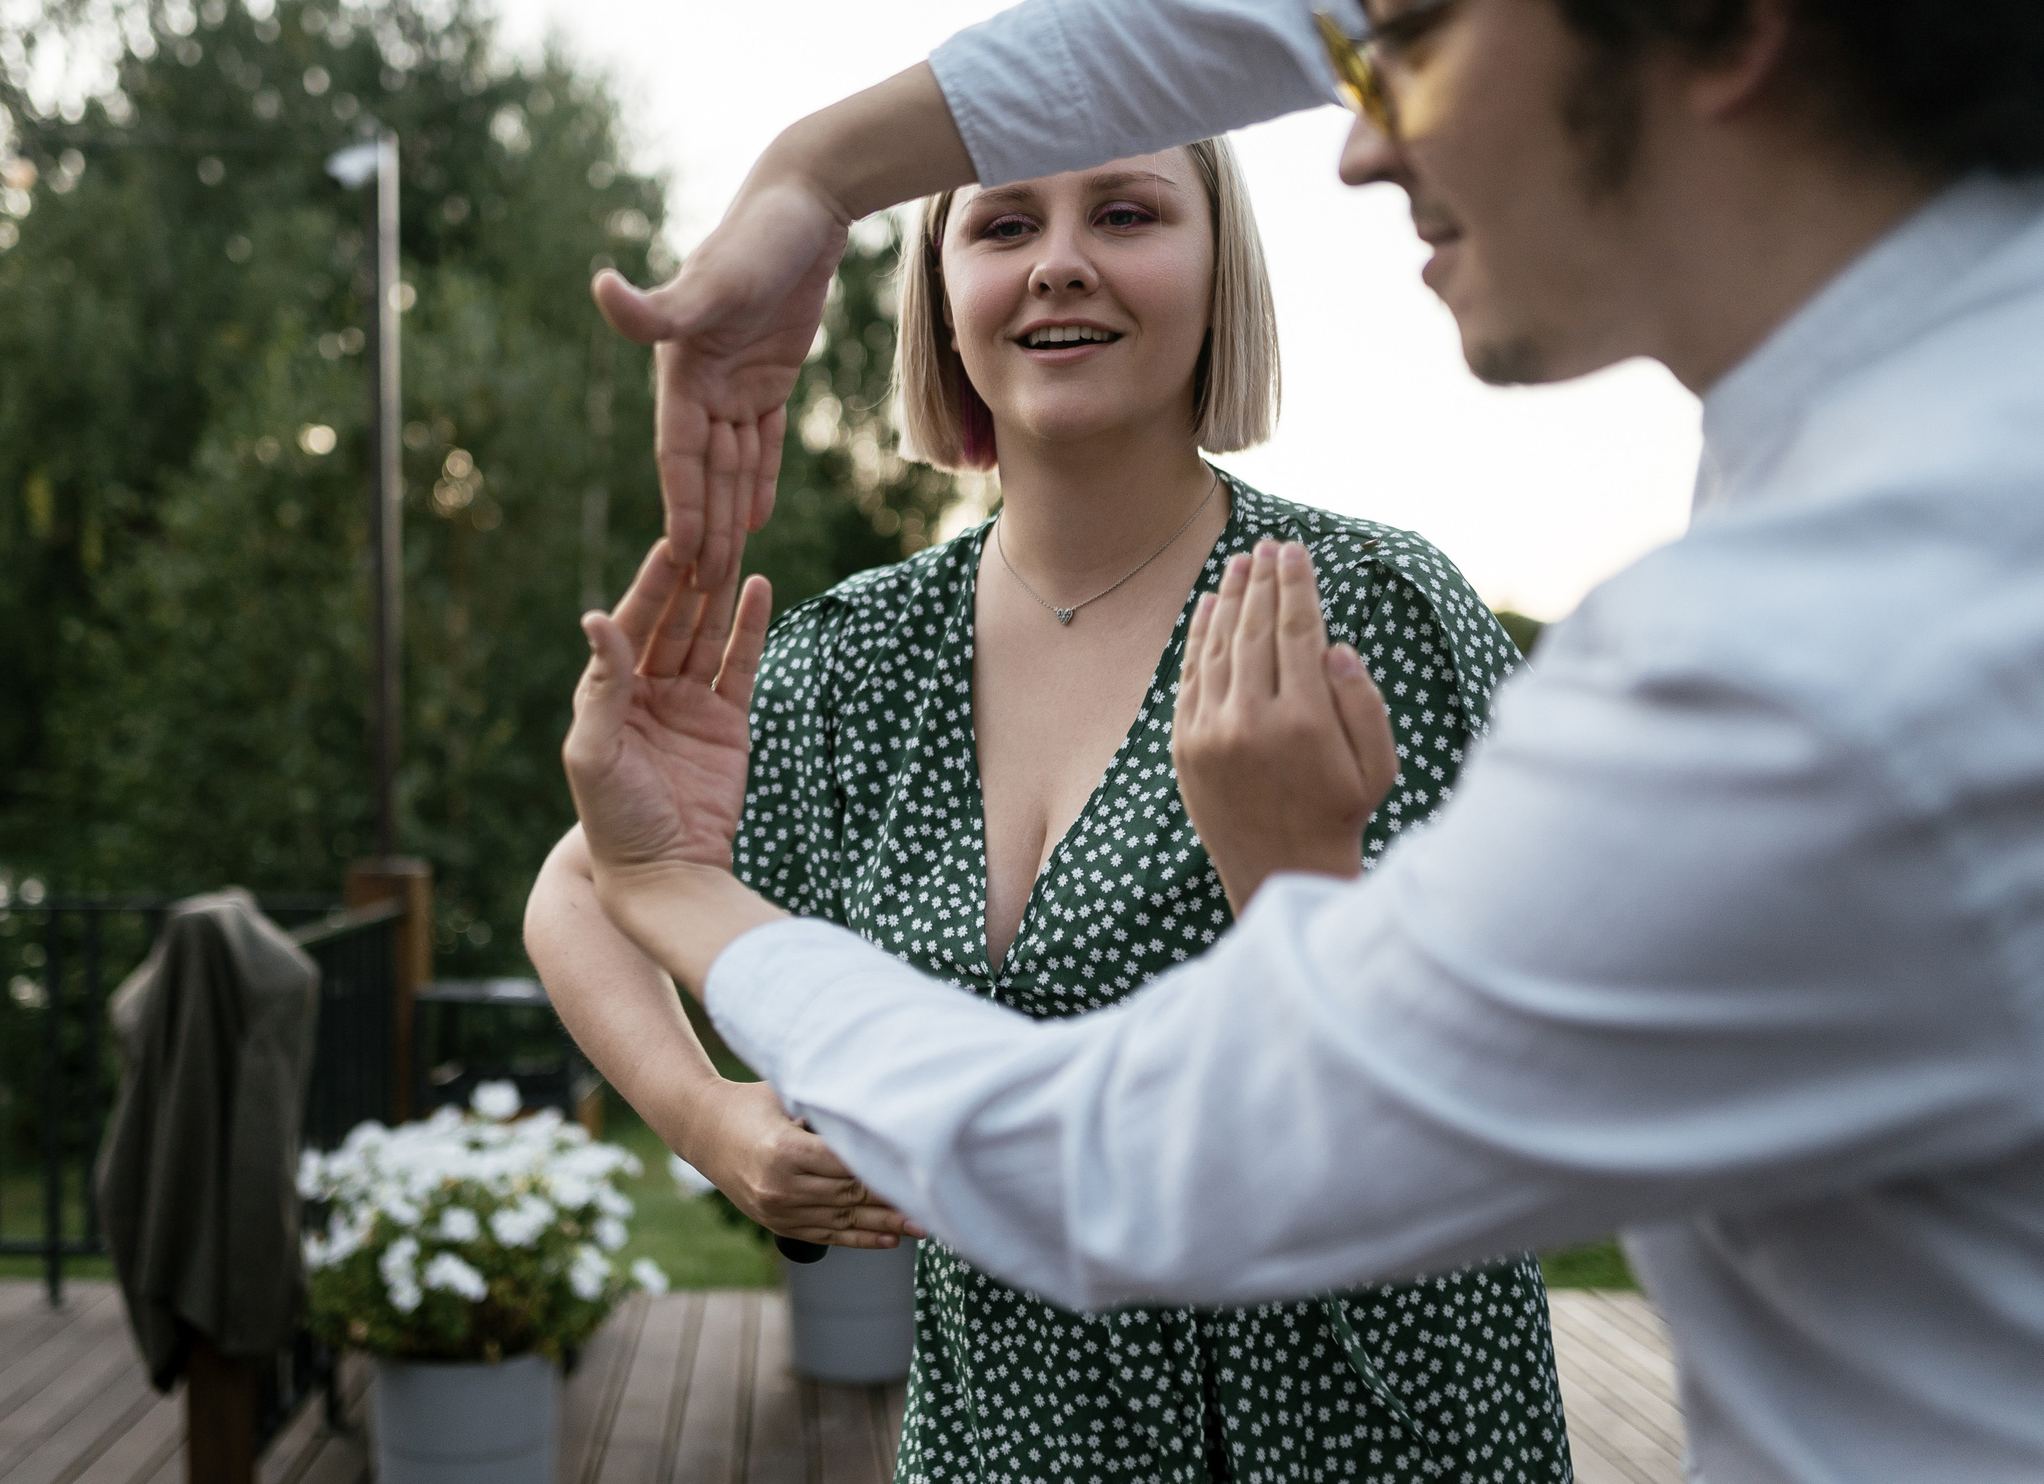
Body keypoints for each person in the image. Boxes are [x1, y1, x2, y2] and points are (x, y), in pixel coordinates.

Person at [563, 0, 2044, 1481]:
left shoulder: (1820, 657)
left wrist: (689, 902)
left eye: (1402, 50)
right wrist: (822, 171)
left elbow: (1137, 1165)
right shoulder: (2023, 383)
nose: (1363, 138)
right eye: (1004, 221)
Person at [529, 138, 1572, 1481]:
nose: (1059, 260)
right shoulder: (859, 659)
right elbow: (589, 886)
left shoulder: (1374, 609)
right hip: (1008, 1440)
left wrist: (1294, 889)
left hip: (1370, 1433)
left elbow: (1531, 1060)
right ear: (943, 292)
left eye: (1127, 212)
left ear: (1217, 268)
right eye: (1003, 224)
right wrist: (714, 1123)